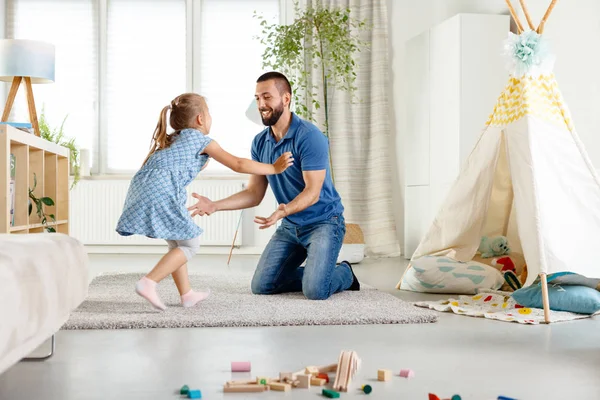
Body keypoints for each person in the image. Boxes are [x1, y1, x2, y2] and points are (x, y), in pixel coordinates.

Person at [187, 72, 360, 300]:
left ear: (286, 98)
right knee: (262, 286)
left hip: (324, 222)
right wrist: (215, 205)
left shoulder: (309, 137)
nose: (261, 104)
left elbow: (313, 191)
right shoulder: (260, 142)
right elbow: (254, 193)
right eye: (257, 98)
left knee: (315, 291)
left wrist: (285, 210)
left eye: (267, 97)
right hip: (290, 227)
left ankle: (344, 273)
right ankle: (316, 274)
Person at [115, 93, 293, 311]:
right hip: (162, 192)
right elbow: (237, 163)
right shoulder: (200, 140)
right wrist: (273, 168)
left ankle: (187, 295)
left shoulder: (173, 138)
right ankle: (149, 282)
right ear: (200, 119)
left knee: (178, 243)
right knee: (190, 244)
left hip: (142, 188)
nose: (210, 118)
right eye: (208, 114)